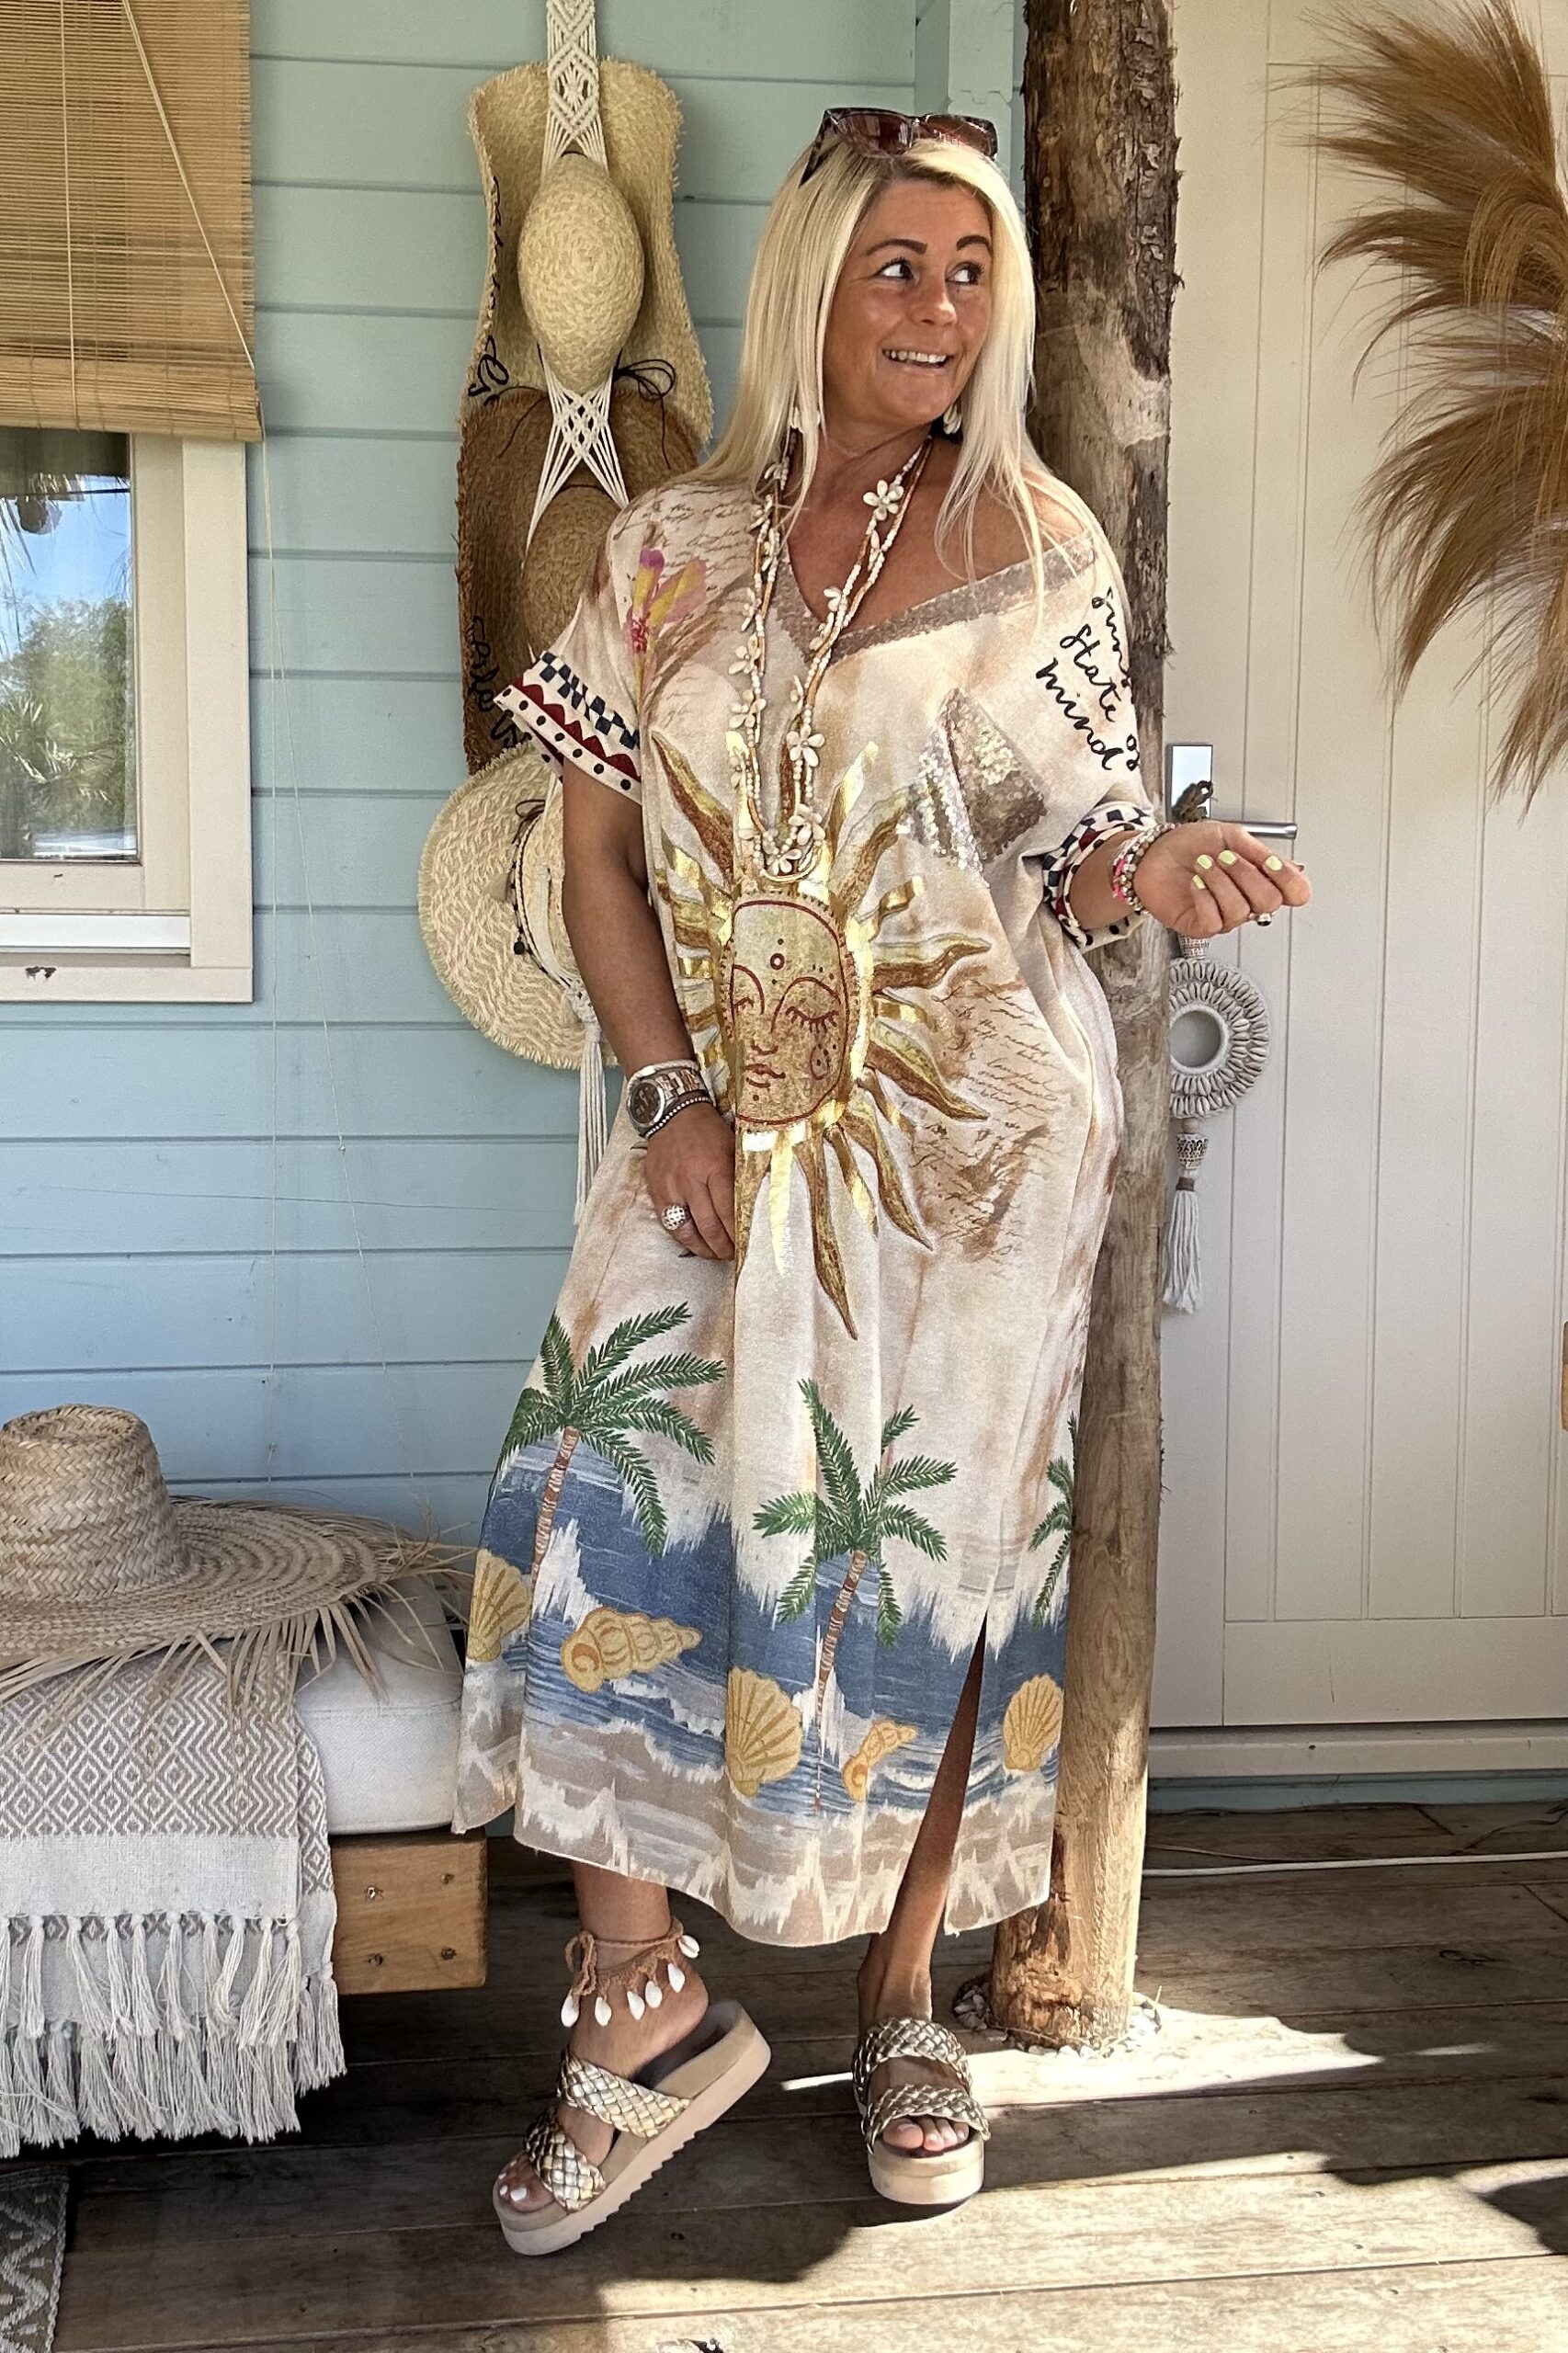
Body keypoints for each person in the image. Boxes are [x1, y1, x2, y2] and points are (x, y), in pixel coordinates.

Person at [454, 107, 1311, 2252]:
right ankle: (642, 2002)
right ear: (812, 283)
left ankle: (904, 1993)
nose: (939, 307)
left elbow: (1085, 846)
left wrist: (1157, 873)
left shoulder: (1039, 546)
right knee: (605, 1498)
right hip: (717, 1125)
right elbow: (591, 850)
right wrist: (667, 1090)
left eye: (968, 269)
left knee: (927, 1563)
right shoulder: (671, 543)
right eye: (898, 265)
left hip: (972, 1155)